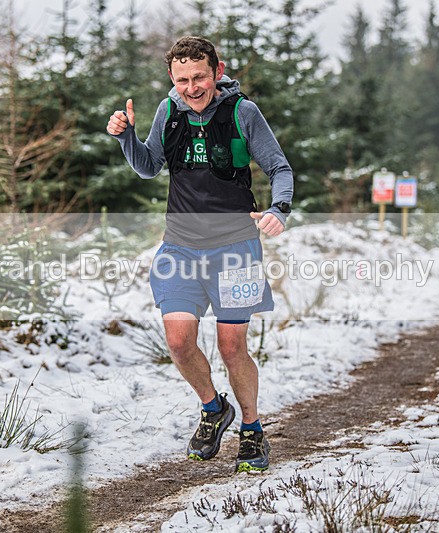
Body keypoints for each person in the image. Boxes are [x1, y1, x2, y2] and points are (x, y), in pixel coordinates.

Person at [107, 36, 293, 472]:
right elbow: (149, 166)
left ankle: (252, 428)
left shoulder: (242, 112)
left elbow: (279, 168)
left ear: (218, 70)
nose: (192, 87)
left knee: (232, 346)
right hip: (180, 247)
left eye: (200, 77)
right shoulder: (168, 111)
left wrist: (279, 209)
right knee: (178, 340)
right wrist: (126, 137)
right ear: (172, 77)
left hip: (235, 248)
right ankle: (213, 409)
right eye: (183, 79)